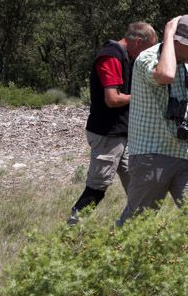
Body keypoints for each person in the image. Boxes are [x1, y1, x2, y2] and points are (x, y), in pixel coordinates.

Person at [117, 15, 188, 225]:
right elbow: (166, 75)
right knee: (135, 225)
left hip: (185, 153)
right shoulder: (148, 58)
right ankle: (113, 256)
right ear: (175, 40)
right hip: (153, 155)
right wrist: (168, 32)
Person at [68, 22, 158, 225]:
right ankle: (72, 228)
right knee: (98, 186)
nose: (147, 54)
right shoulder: (110, 56)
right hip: (107, 133)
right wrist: (141, 96)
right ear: (137, 41)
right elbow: (112, 99)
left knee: (139, 185)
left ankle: (138, 231)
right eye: (147, 49)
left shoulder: (126, 57)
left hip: (122, 132)